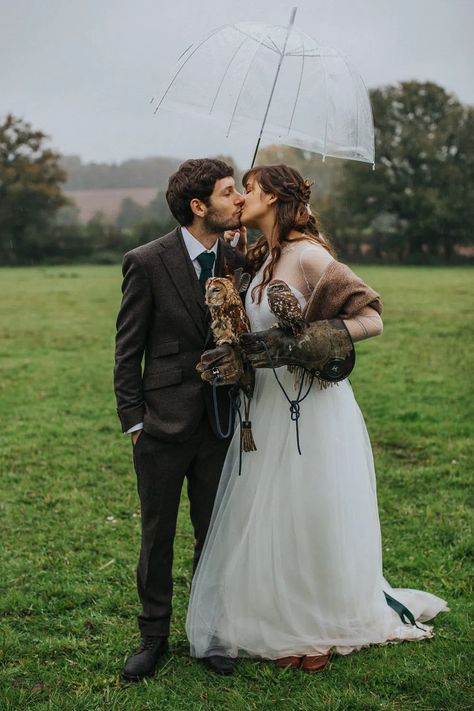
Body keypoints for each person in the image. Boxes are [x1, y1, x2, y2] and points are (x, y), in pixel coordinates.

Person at [187, 164, 447, 675]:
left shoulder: (308, 256)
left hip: (314, 410)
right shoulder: (261, 262)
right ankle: (283, 619)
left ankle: (318, 626)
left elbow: (371, 317)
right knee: (275, 518)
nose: (242, 196)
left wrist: (311, 340)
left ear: (277, 198)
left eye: (252, 188)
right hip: (264, 409)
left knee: (311, 514)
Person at [113, 158, 247, 681]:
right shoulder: (146, 262)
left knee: (214, 534)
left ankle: (210, 634)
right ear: (199, 206)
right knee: (157, 535)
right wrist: (134, 421)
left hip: (220, 422)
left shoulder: (238, 263)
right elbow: (127, 351)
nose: (238, 200)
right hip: (161, 425)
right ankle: (153, 637)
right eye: (228, 192)